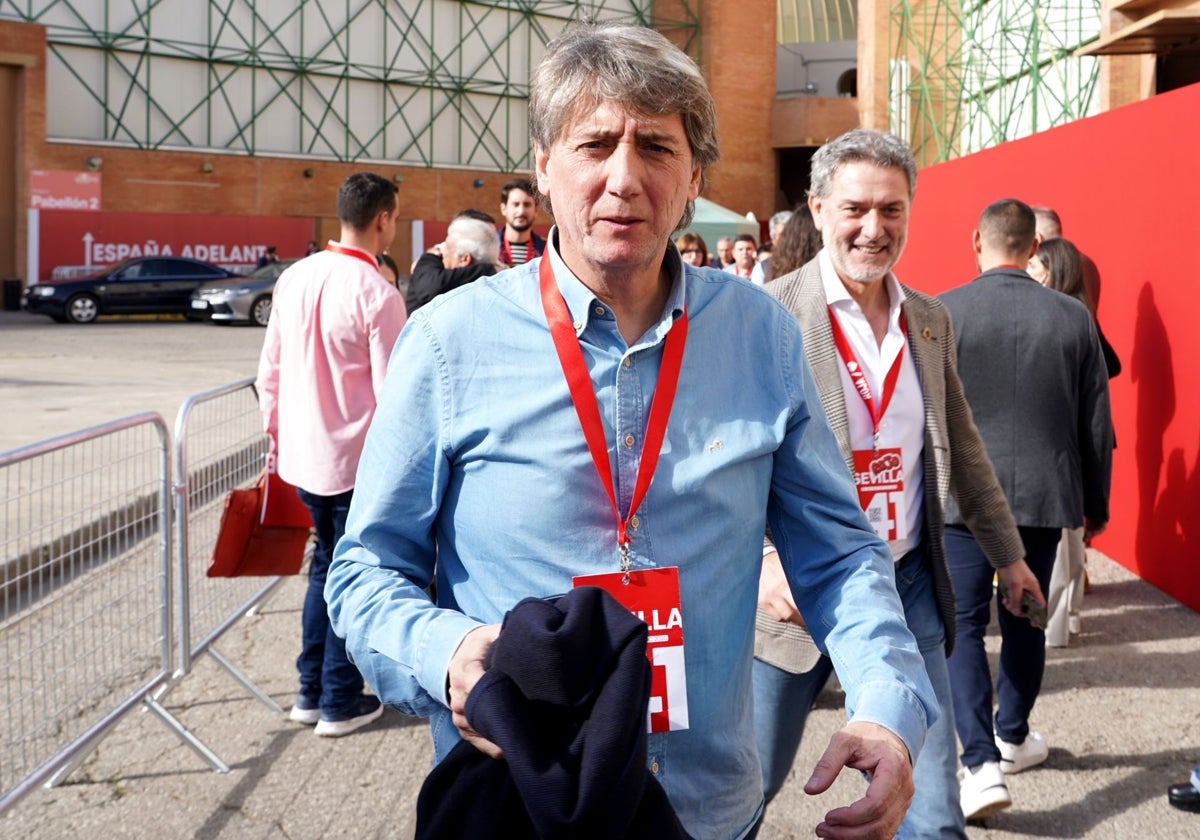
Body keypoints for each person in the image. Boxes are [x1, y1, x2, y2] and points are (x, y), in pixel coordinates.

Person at [326, 23, 937, 840]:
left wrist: (887, 703)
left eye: (655, 146)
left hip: (707, 809)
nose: (623, 177)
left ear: (693, 177)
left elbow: (837, 549)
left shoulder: (759, 335)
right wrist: (447, 653)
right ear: (545, 165)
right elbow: (364, 570)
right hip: (522, 804)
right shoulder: (448, 343)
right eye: (594, 143)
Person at [754, 128, 1042, 839]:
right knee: (741, 788)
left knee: (931, 808)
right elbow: (729, 452)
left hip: (906, 580)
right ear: (817, 210)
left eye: (891, 210)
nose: (873, 229)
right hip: (794, 585)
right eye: (855, 209)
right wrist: (763, 558)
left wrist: (1008, 557)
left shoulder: (931, 320)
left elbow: (963, 451)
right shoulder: (768, 315)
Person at [940, 199, 1112, 818]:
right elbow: (1096, 420)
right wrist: (1096, 504)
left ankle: (980, 763)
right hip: (1043, 493)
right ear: (1034, 248)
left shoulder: (943, 312)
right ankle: (1011, 736)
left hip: (960, 497)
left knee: (961, 623)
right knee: (1026, 615)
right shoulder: (1073, 317)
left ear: (977, 241)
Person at [255, 172, 407, 737]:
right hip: (354, 462)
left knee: (324, 570)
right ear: (384, 219)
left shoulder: (293, 277)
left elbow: (268, 371)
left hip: (301, 457)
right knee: (347, 576)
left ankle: (312, 691)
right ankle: (337, 696)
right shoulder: (377, 293)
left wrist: (274, 443)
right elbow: (396, 396)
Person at [1028, 236, 1120, 647]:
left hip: (1069, 443)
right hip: (1073, 441)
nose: (1028, 268)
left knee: (1064, 541)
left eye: (1035, 264)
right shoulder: (1076, 314)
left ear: (1050, 271)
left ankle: (1057, 627)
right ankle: (1064, 620)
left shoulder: (1068, 319)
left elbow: (1106, 371)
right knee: (1066, 541)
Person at [406, 214, 502, 313]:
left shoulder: (440, 286)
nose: (441, 252)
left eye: (447, 247)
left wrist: (430, 256)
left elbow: (428, 287)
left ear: (464, 259)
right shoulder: (500, 286)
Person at [764, 204, 821, 282]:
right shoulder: (765, 267)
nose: (786, 239)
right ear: (772, 238)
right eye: (783, 234)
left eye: (788, 233)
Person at [497, 178, 545, 266]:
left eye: (527, 205)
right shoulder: (487, 249)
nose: (521, 211)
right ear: (503, 209)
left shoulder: (547, 250)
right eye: (515, 204)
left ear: (536, 210)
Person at [750, 210, 793, 284]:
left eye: (791, 233)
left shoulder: (809, 263)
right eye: (783, 235)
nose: (788, 239)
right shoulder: (762, 269)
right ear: (773, 239)